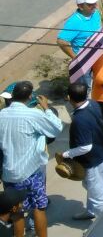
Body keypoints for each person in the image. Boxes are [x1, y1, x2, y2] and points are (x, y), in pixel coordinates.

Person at [0, 82, 61, 236]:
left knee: (16, 211)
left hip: (9, 173)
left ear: (12, 96)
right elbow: (56, 129)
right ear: (29, 97)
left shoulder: (1, 115)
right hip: (31, 173)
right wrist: (46, 108)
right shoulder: (33, 115)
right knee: (39, 207)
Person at [62, 82, 103, 220]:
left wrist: (66, 154)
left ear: (69, 97)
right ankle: (91, 212)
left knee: (98, 196)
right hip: (101, 154)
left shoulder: (79, 119)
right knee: (93, 188)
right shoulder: (93, 104)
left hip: (93, 161)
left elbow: (85, 147)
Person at [56, 0, 102, 88]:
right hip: (84, 60)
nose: (94, 6)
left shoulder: (95, 13)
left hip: (98, 54)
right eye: (90, 4)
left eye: (94, 3)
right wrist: (76, 58)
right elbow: (61, 41)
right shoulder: (74, 22)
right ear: (81, 6)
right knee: (87, 87)